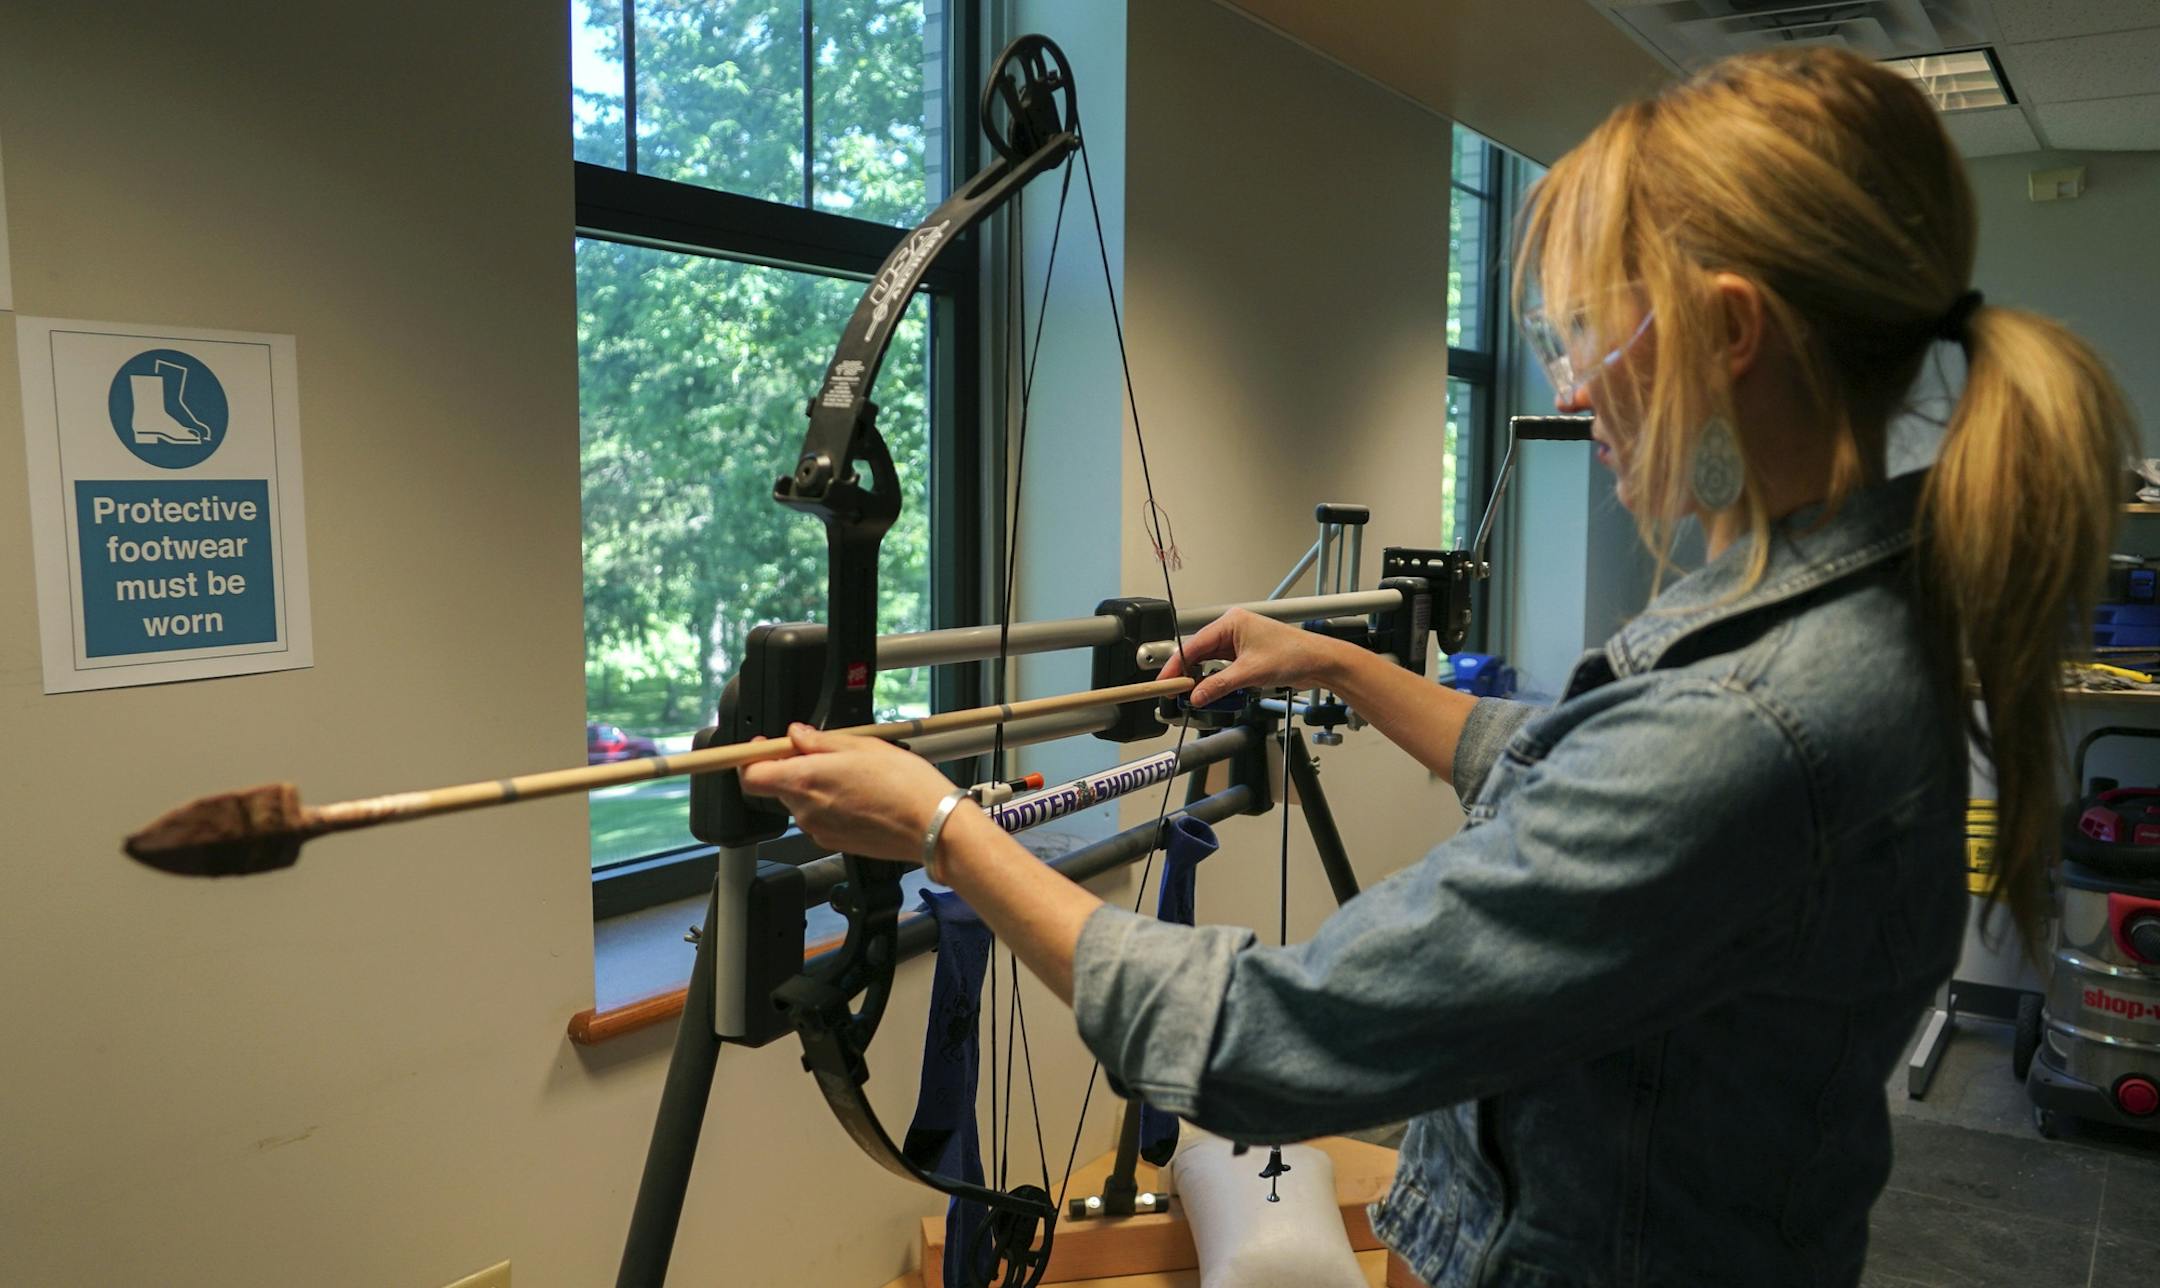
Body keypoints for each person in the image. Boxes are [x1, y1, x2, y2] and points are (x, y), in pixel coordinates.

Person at [741, 47, 2134, 1286]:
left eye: (1596, 332)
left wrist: (939, 826)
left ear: (1727, 332)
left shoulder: (1749, 719)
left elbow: (1266, 1045)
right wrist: (1337, 667)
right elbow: (1570, 775)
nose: (1579, 390)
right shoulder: (1830, 629)